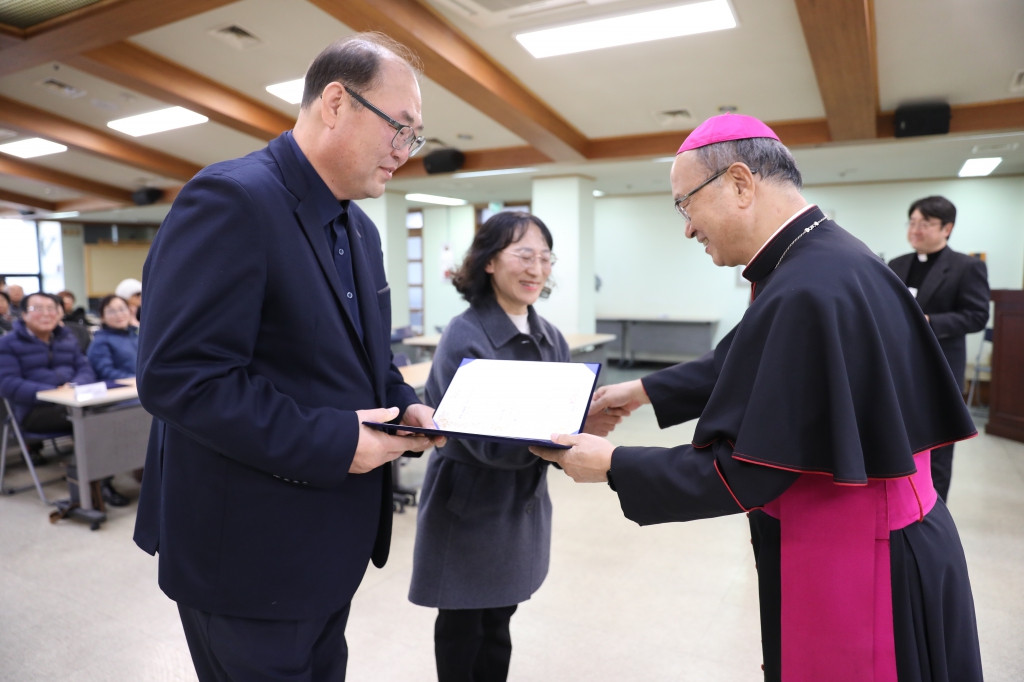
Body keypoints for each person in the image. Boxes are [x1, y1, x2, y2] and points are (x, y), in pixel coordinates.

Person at [532, 114, 983, 682]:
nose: (688, 230)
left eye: (684, 205)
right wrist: (641, 391)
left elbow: (748, 470)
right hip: (889, 536)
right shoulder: (823, 259)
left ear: (741, 183)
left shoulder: (808, 284)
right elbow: (749, 358)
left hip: (863, 558)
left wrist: (612, 465)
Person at [133, 33, 441, 682]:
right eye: (400, 128)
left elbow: (366, 358)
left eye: (413, 138)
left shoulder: (357, 228)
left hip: (329, 551)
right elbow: (179, 377)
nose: (403, 152)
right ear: (335, 101)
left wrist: (405, 403)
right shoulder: (233, 200)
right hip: (247, 559)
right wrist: (336, 439)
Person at [408, 211, 624, 682]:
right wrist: (561, 441)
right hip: (469, 508)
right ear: (488, 261)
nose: (536, 268)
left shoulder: (551, 337)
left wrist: (581, 428)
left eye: (545, 258)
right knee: (463, 626)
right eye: (523, 254)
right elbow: (478, 439)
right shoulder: (464, 335)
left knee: (500, 623)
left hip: (520, 507)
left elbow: (559, 419)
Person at [888, 196, 989, 502]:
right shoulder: (897, 264)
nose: (915, 229)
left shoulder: (966, 266)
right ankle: (901, 503)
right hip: (899, 368)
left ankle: (934, 511)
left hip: (940, 368)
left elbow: (976, 316)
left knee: (939, 448)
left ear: (947, 228)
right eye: (913, 222)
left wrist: (929, 320)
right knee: (900, 442)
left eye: (925, 223)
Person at [0, 293, 116, 500]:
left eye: (51, 308)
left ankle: (101, 479)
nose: (46, 314)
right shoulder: (8, 343)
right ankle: (94, 485)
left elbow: (85, 369)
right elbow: (8, 384)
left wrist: (73, 386)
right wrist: (53, 393)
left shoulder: (66, 338)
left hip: (73, 401)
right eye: (37, 309)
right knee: (95, 418)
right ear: (24, 315)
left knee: (112, 411)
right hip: (33, 411)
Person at [88, 295, 139, 381]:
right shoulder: (100, 342)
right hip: (122, 390)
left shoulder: (136, 335)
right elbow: (106, 372)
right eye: (111, 311)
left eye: (122, 309)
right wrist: (137, 379)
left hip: (143, 387)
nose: (119, 314)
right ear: (102, 317)